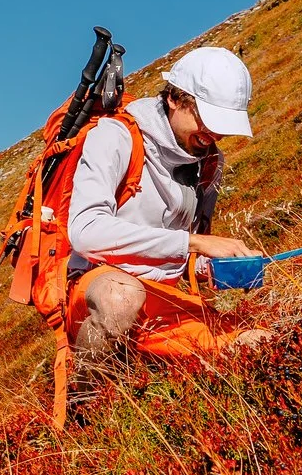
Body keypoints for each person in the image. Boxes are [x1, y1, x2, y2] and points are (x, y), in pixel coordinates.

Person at [62, 45, 261, 391]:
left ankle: (145, 366)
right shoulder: (116, 136)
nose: (211, 136)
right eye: (205, 120)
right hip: (101, 287)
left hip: (164, 297)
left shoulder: (210, 162)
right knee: (122, 296)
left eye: (221, 127)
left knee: (258, 341)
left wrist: (215, 268)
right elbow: (85, 231)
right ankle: (85, 405)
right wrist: (193, 242)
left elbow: (180, 253)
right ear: (174, 98)